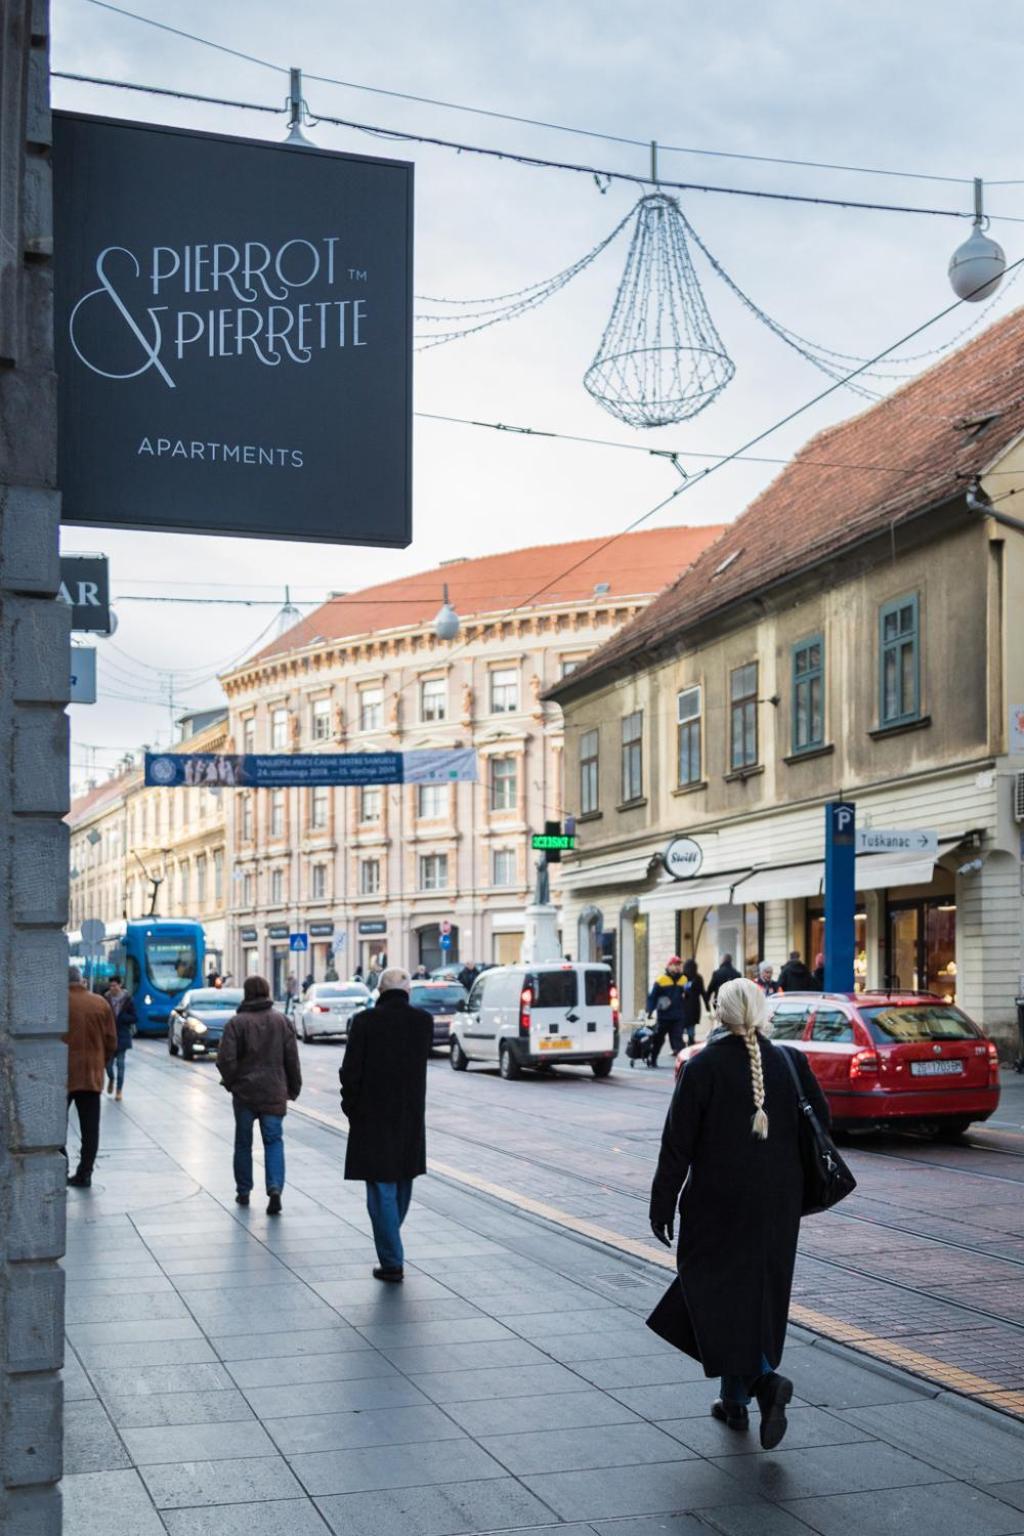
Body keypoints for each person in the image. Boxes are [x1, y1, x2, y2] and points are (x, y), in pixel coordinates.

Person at [647, 977, 829, 1449]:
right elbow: (822, 1124)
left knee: (713, 1294)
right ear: (762, 1013)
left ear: (719, 1013)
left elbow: (676, 1147)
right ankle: (735, 1403)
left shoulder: (704, 1066)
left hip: (717, 1205)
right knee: (757, 1296)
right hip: (778, 1206)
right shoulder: (791, 1062)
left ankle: (763, 1383)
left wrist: (661, 1204)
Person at [339, 967, 433, 1282]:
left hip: (372, 1115)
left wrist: (351, 1108)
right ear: (407, 992)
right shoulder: (422, 1022)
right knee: (403, 1179)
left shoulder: (364, 1022)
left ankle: (392, 1261)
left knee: (381, 1188)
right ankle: (391, 1240)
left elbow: (350, 1071)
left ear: (379, 991)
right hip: (409, 1115)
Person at [216, 975, 302, 1215]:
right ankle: (274, 1188)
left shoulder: (237, 1023)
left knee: (243, 1142)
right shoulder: (281, 1021)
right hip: (274, 1091)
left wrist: (232, 1082)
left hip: (244, 1094)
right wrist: (293, 1087)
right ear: (267, 992)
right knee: (273, 1141)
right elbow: (291, 1059)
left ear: (246, 993)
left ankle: (243, 1191)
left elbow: (225, 1059)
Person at [64, 966, 117, 1188]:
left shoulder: (59, 1001)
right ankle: (85, 1172)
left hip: (62, 1076)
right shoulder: (100, 1003)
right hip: (92, 1075)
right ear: (82, 981)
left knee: (55, 1127)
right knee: (90, 1129)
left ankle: (61, 1167)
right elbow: (112, 1041)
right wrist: (101, 1062)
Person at [646, 956, 688, 1066]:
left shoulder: (684, 980)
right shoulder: (661, 980)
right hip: (664, 1017)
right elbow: (652, 997)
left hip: (678, 1017)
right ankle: (653, 1059)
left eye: (679, 965)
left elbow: (689, 997)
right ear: (669, 966)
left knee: (678, 1041)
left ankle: (683, 1064)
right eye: (675, 965)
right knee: (659, 1040)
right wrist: (650, 1011)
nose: (678, 967)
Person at [104, 978, 136, 1101]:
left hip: (122, 1036)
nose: (113, 988)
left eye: (115, 986)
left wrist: (122, 1018)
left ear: (120, 985)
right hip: (109, 1037)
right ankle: (111, 1079)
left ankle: (119, 1090)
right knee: (108, 1066)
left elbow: (134, 1017)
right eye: (111, 986)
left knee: (121, 1065)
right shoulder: (105, 999)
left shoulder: (128, 1000)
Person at [679, 958, 708, 1048]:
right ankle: (691, 1045)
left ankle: (681, 1047)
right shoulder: (698, 978)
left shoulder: (681, 977)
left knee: (681, 1027)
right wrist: (707, 1006)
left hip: (683, 1006)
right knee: (691, 1028)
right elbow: (703, 992)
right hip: (694, 1006)